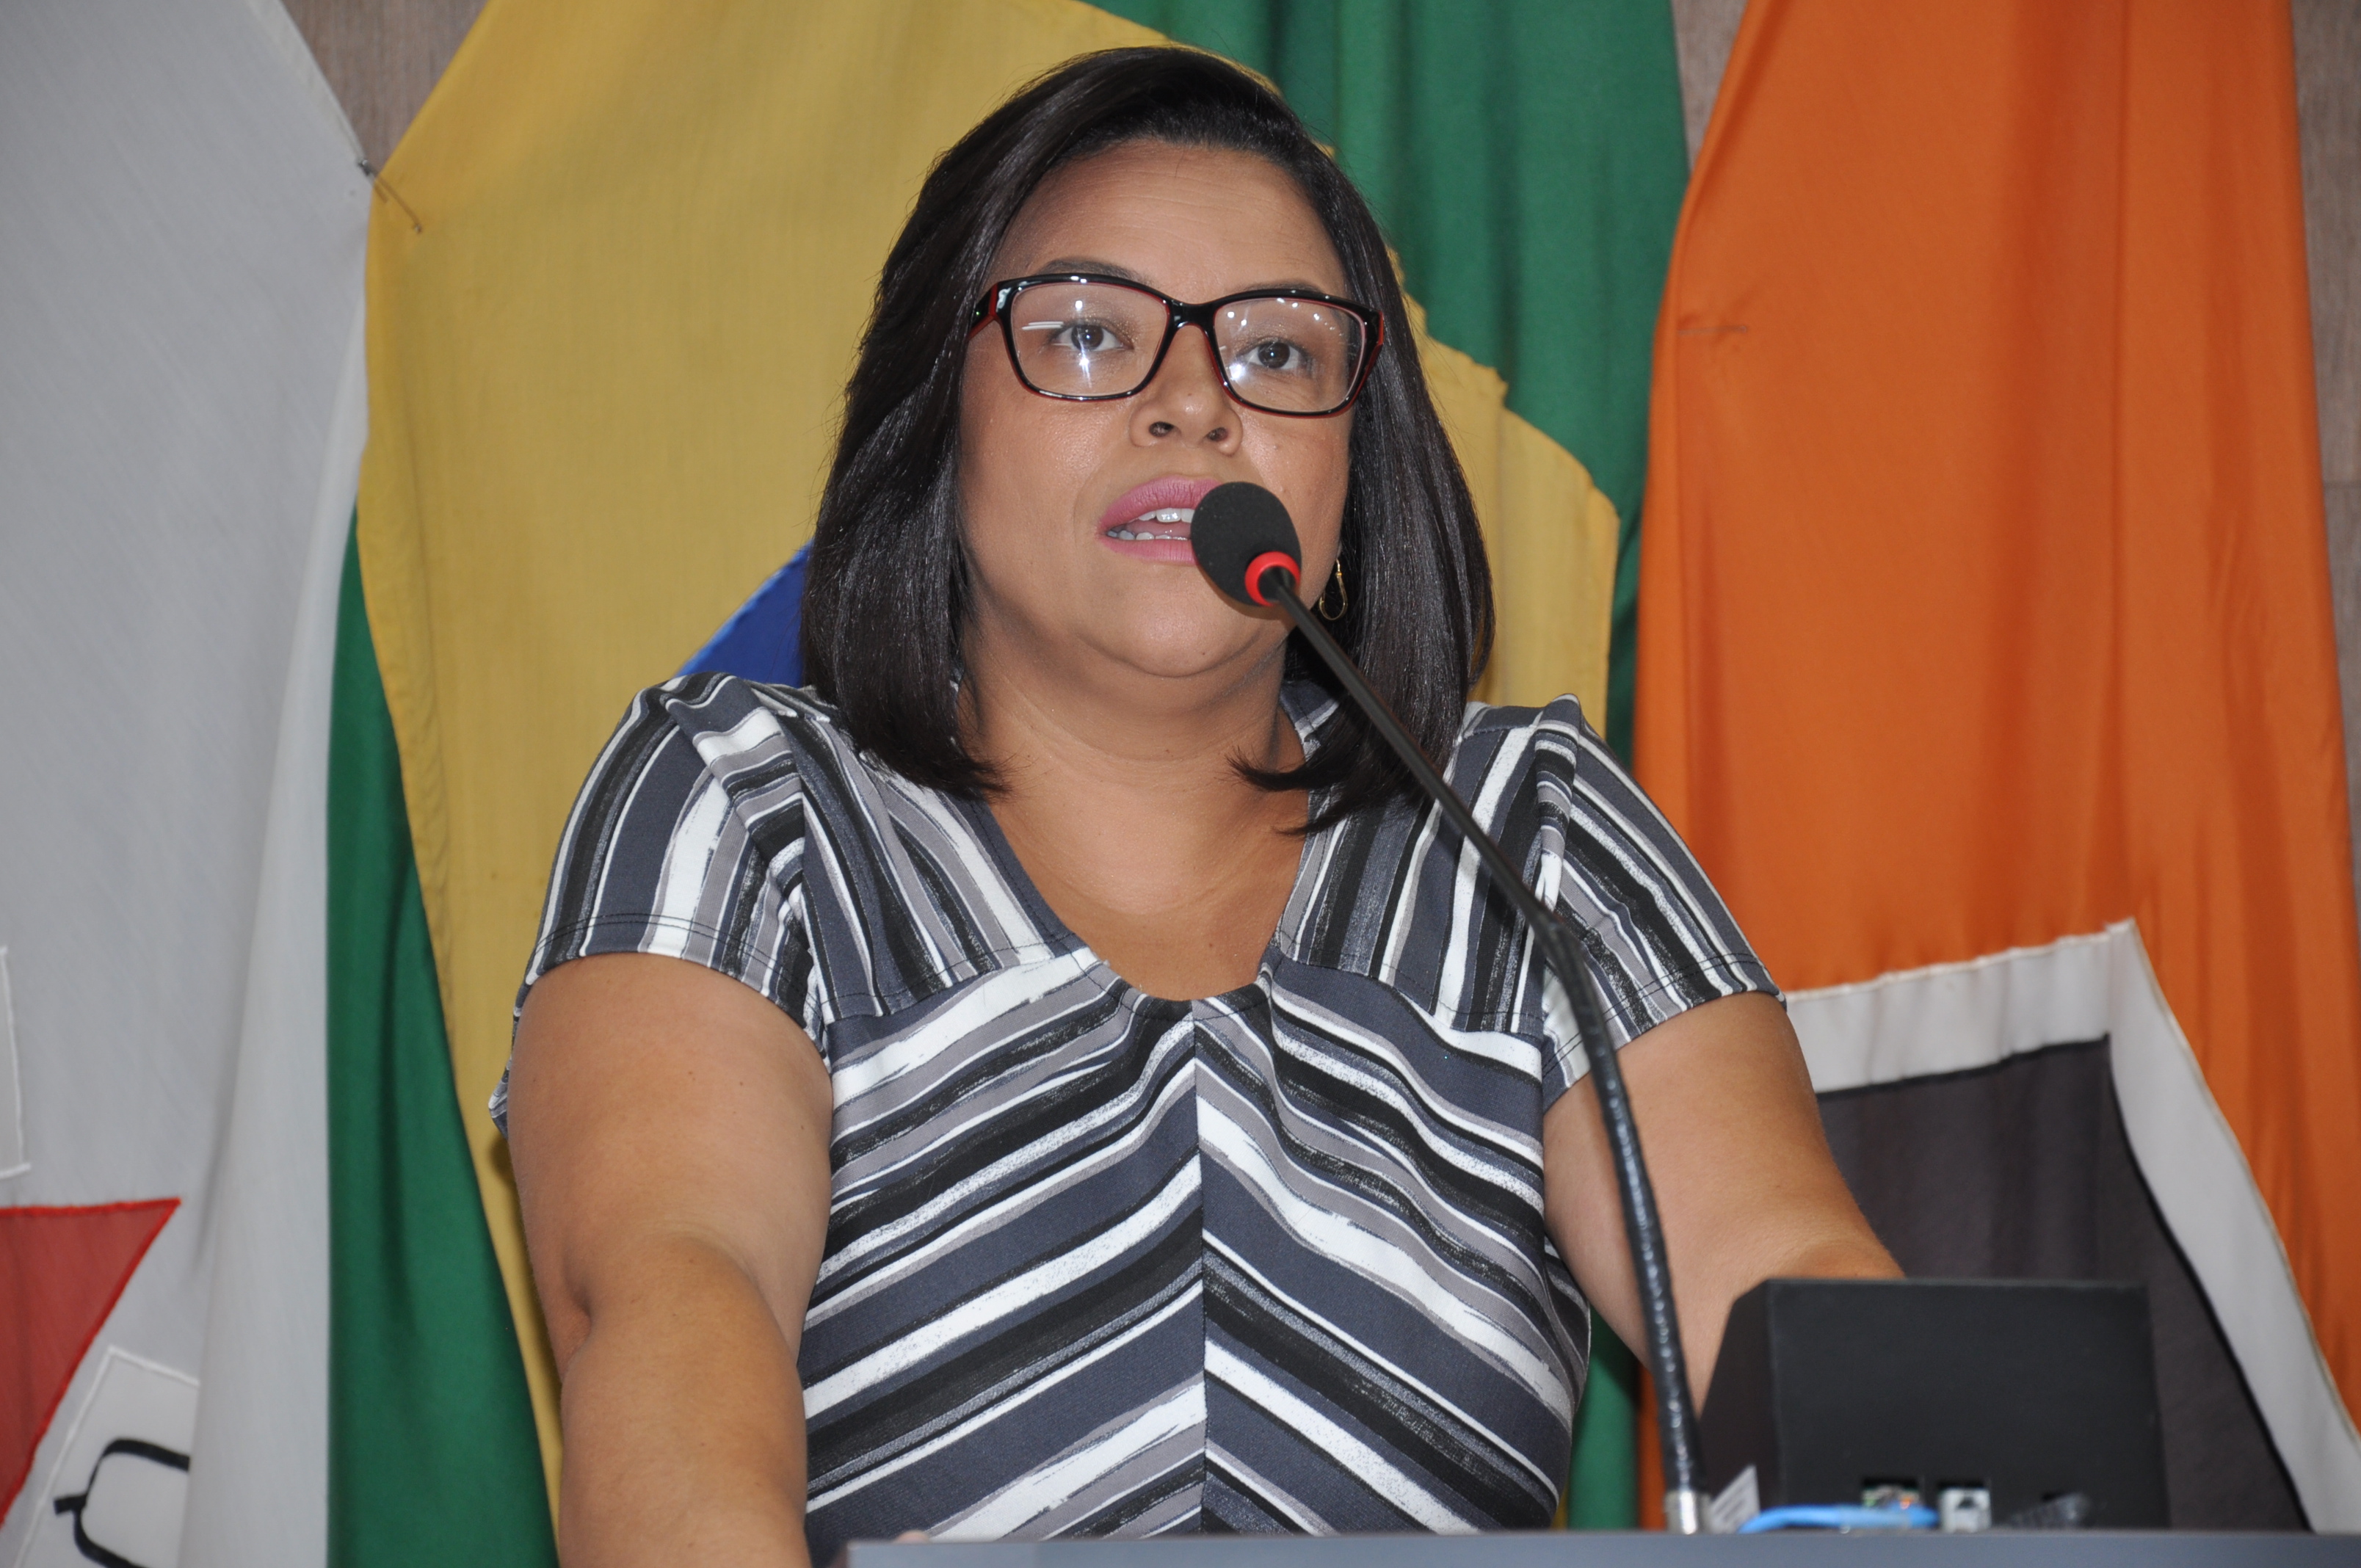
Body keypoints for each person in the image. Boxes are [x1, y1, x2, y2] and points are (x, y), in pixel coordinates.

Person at [501, 46, 1896, 1567]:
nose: (1193, 405)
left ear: (1355, 459)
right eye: (1088, 333)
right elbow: (673, 1294)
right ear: (941, 412)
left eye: (1278, 353)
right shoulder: (749, 806)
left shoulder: (1526, 837)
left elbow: (1789, 1298)